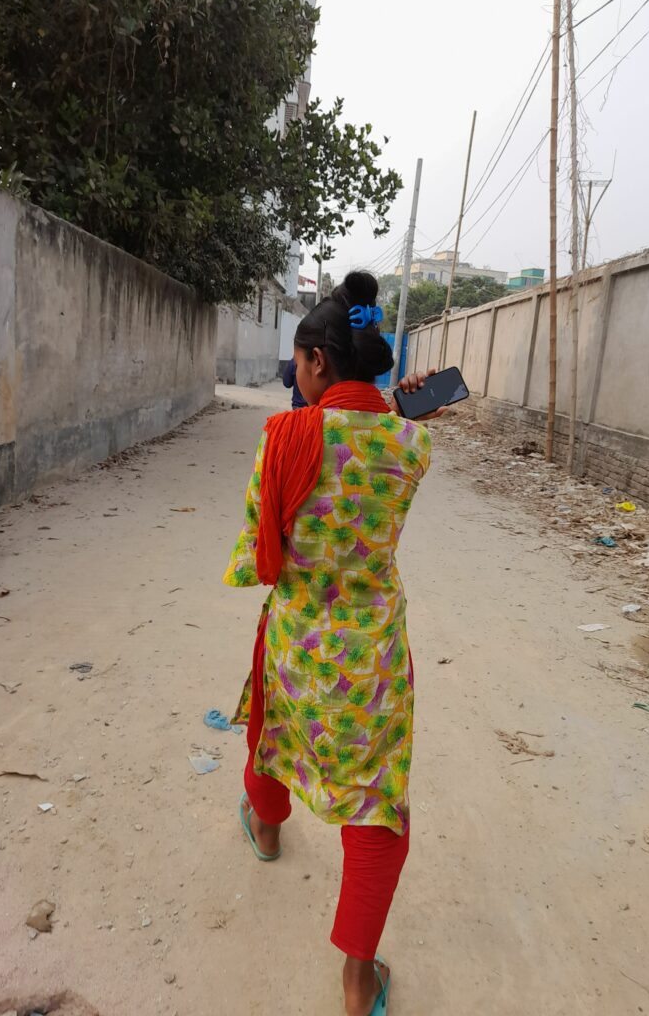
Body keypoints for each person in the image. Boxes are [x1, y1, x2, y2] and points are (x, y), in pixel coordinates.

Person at [223, 271, 446, 1016]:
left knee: (273, 730)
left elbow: (260, 554)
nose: (296, 376)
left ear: (320, 361)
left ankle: (267, 828)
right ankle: (357, 981)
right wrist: (402, 409)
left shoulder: (285, 435)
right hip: (374, 657)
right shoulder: (412, 443)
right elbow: (391, 440)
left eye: (298, 364)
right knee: (377, 804)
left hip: (297, 641)